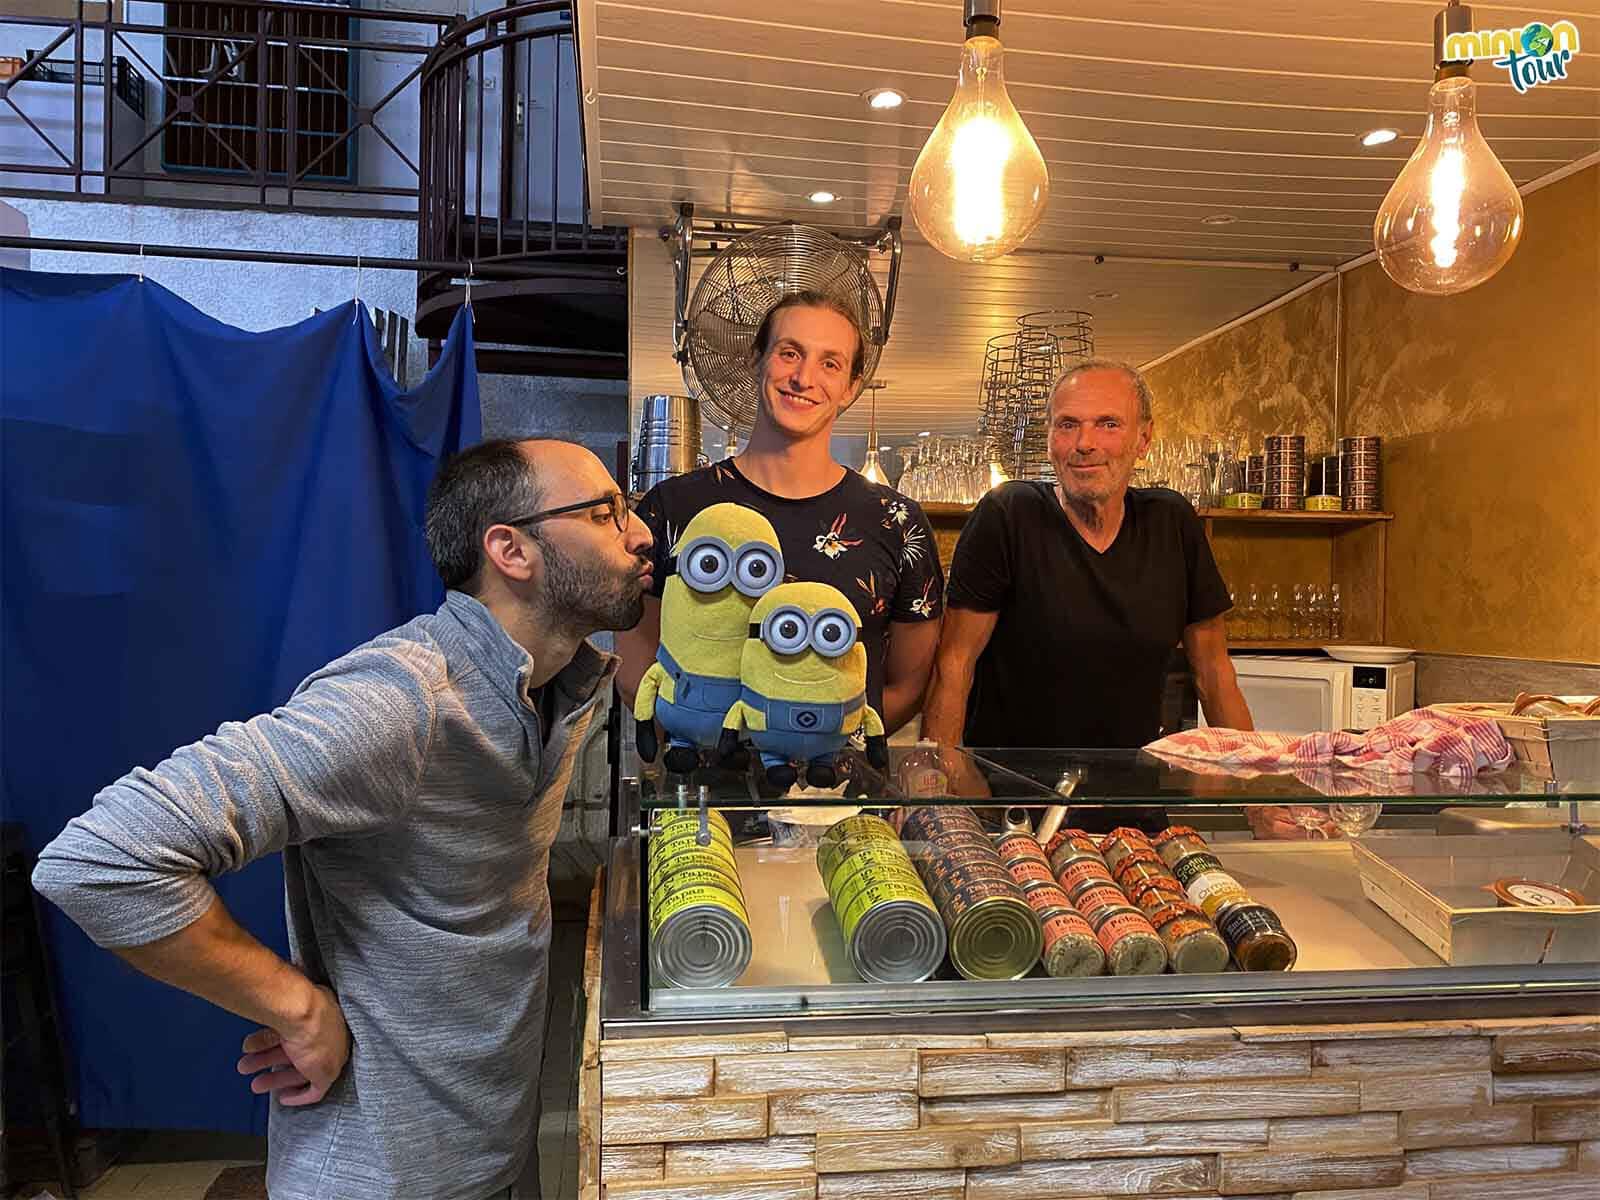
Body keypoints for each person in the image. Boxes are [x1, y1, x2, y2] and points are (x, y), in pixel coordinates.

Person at [32, 438, 654, 1200]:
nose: (640, 533)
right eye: (604, 512)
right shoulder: (402, 701)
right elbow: (101, 859)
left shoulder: (560, 687)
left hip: (490, 1138)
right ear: (510, 550)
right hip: (379, 1173)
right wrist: (296, 1009)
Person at [922, 361, 1253, 830]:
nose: (1085, 444)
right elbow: (953, 663)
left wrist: (1260, 797)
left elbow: (1215, 675)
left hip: (1133, 808)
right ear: (1051, 438)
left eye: (1108, 424)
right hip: (1014, 810)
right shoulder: (1009, 515)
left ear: (1143, 440)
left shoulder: (1171, 523)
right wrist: (952, 792)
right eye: (1068, 425)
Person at [619, 291, 944, 740]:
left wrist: (823, 743)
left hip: (838, 798)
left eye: (830, 363)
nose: (803, 377)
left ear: (851, 385)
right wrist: (711, 750)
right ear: (757, 360)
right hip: (700, 797)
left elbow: (909, 684)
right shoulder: (670, 508)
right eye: (789, 353)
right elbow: (636, 667)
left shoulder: (897, 522)